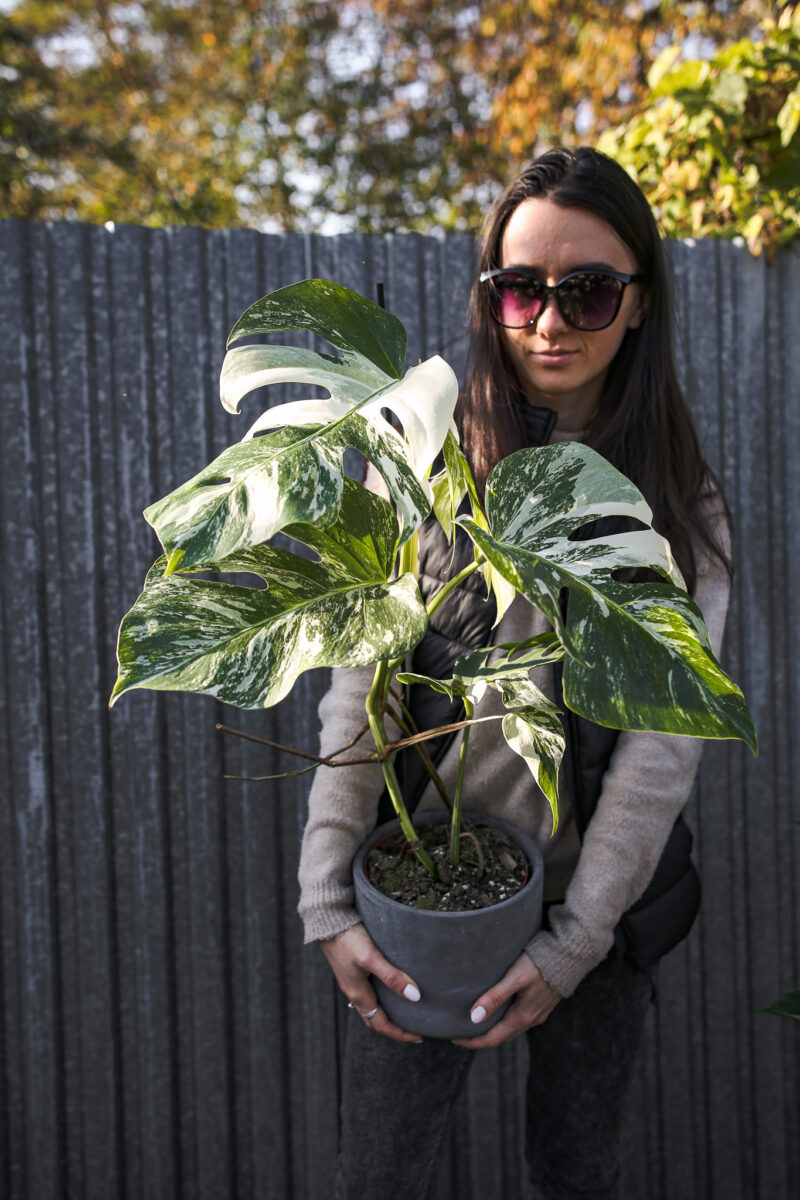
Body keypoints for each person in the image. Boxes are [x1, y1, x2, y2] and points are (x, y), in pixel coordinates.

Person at [297, 146, 732, 1200]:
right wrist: (327, 902)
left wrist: (573, 944)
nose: (547, 322)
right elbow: (359, 689)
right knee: (377, 1175)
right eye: (520, 289)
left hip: (598, 916)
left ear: (638, 303)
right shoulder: (420, 459)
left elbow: (662, 750)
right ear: (488, 296)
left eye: (588, 292)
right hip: (420, 895)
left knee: (576, 1170)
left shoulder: (673, 504)